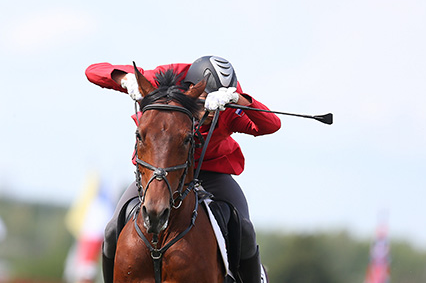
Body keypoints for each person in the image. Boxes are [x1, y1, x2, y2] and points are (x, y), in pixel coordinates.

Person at [86, 55, 281, 283]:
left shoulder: (227, 108)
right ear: (190, 90)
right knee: (111, 231)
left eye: (212, 106)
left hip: (211, 174)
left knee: (245, 231)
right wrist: (125, 79)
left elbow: (271, 124)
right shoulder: (162, 84)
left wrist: (238, 98)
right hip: (159, 172)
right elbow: (93, 70)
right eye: (202, 104)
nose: (207, 114)